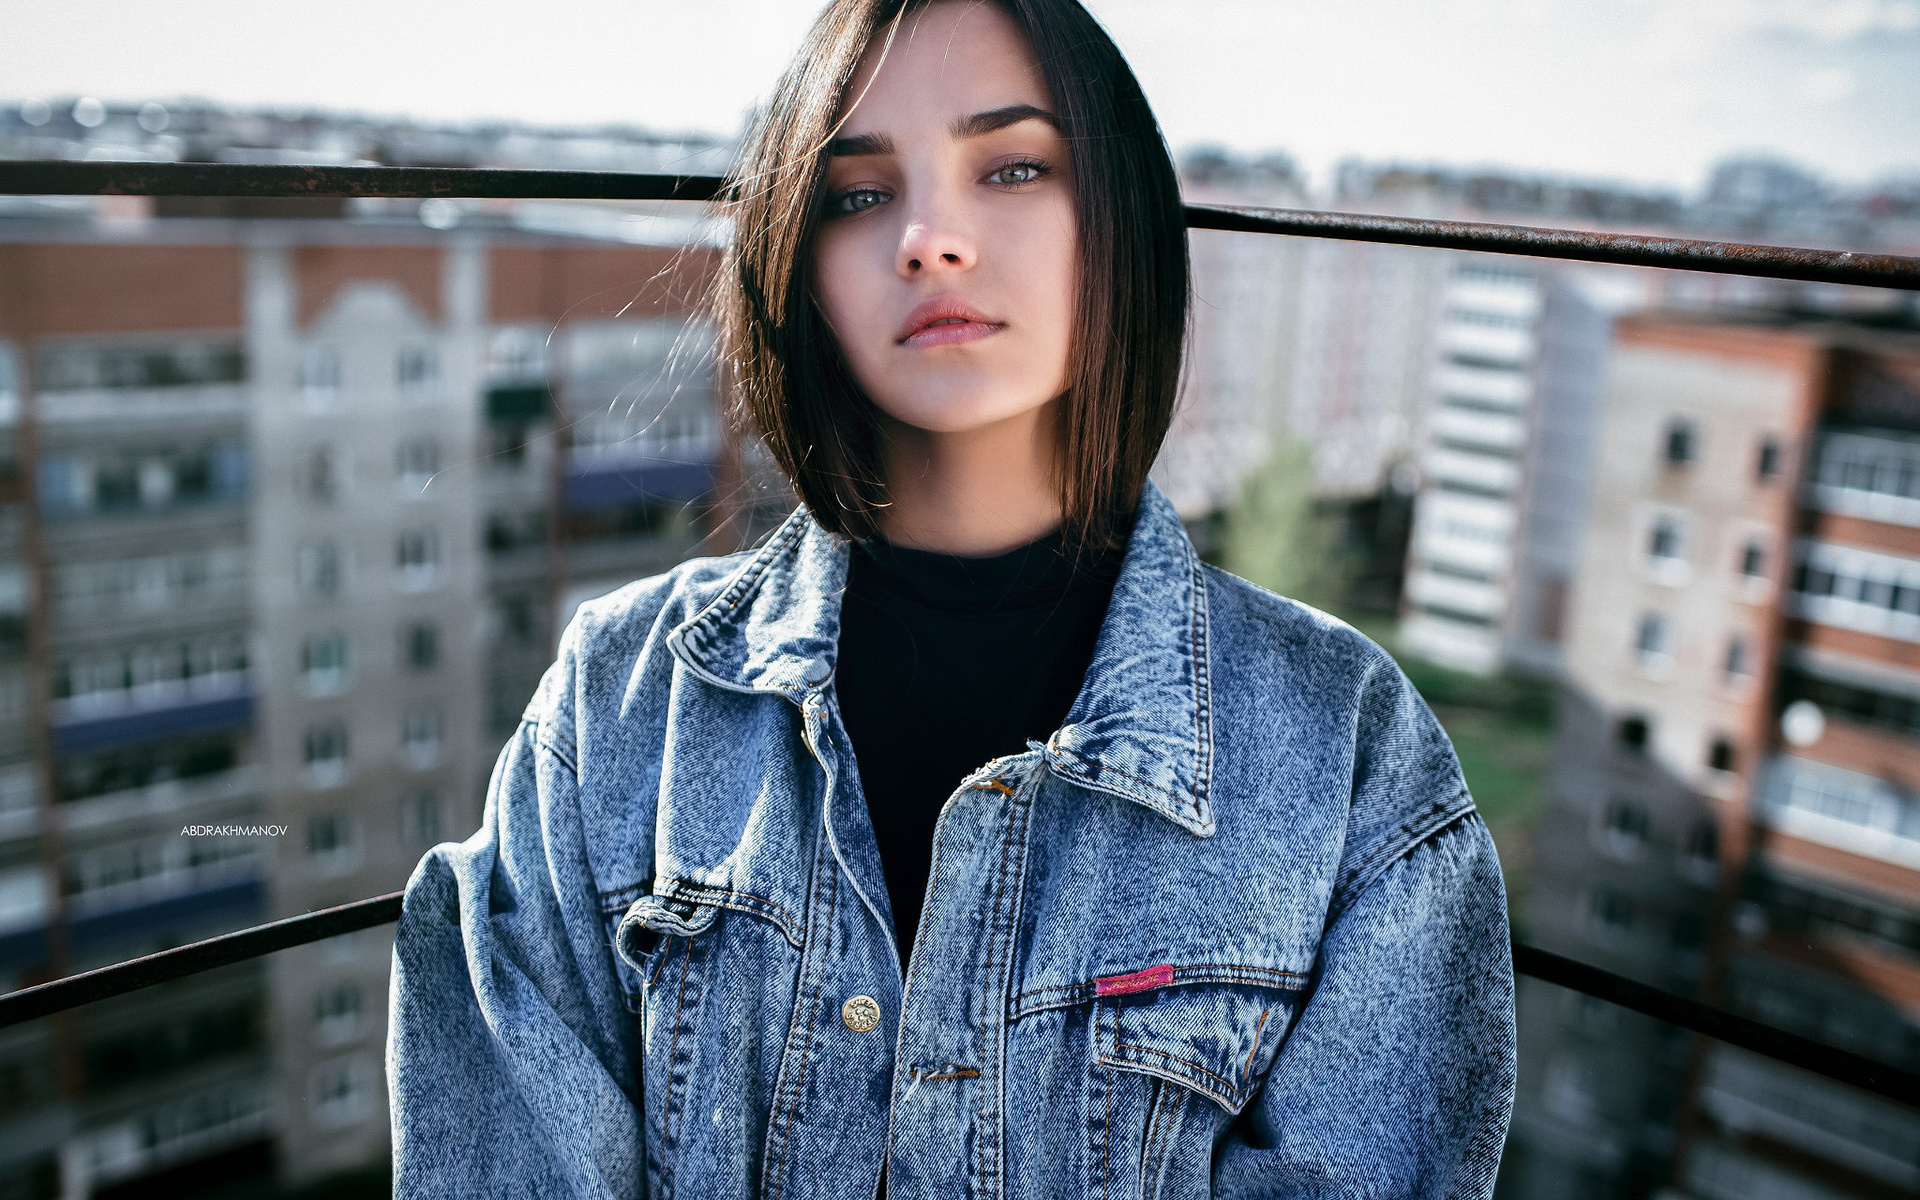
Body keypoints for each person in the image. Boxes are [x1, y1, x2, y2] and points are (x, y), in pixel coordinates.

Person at [385, 0, 1517, 1195]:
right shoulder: (622, 699)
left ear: (1120, 215)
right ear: (796, 263)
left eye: (1015, 166)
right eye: (858, 195)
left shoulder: (1346, 750)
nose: (928, 238)